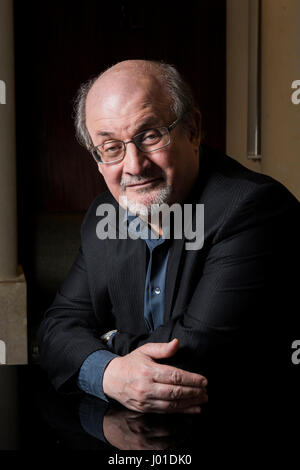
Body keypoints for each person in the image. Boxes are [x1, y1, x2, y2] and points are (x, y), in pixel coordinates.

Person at [37, 60, 299, 417]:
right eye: (111, 147)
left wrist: (105, 341)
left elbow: (198, 354)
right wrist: (109, 372)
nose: (133, 165)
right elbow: (55, 329)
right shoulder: (106, 213)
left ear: (192, 130)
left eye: (149, 135)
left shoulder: (254, 208)